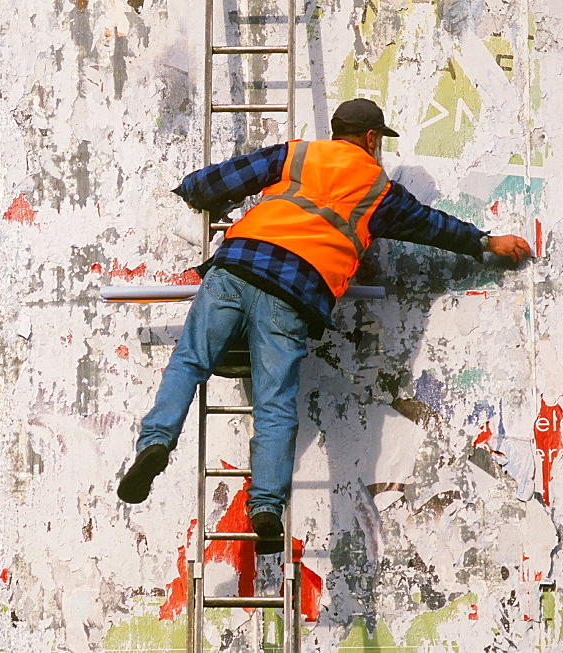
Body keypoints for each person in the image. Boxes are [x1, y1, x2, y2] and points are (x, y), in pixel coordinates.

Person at [116, 98, 532, 553]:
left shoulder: (298, 154)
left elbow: (224, 179)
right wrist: (488, 242)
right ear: (372, 139)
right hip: (294, 292)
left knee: (189, 362)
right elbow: (433, 227)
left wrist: (192, 191)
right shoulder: (380, 192)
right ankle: (267, 508)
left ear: (337, 131)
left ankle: (155, 444)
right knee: (275, 404)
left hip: (237, 268)